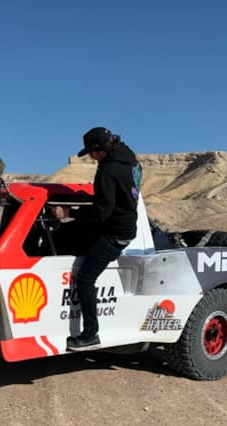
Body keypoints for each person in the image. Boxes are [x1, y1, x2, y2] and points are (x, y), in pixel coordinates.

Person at [58, 127, 140, 351]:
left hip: (114, 235)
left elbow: (102, 211)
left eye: (92, 154)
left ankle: (90, 334)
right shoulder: (130, 160)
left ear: (101, 150)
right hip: (125, 227)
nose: (92, 158)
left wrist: (70, 213)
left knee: (85, 279)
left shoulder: (108, 171)